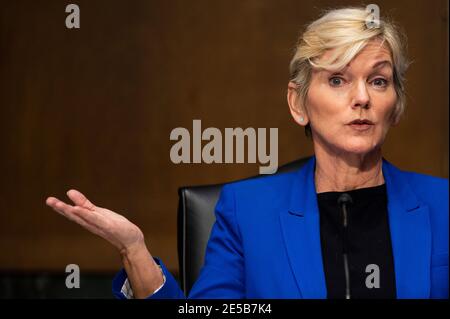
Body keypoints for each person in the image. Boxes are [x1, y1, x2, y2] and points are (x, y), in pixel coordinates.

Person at [46, 7, 448, 299]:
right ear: (298, 103)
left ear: (395, 105)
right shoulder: (246, 212)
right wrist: (135, 252)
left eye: (378, 81)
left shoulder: (443, 206)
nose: (361, 98)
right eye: (339, 79)